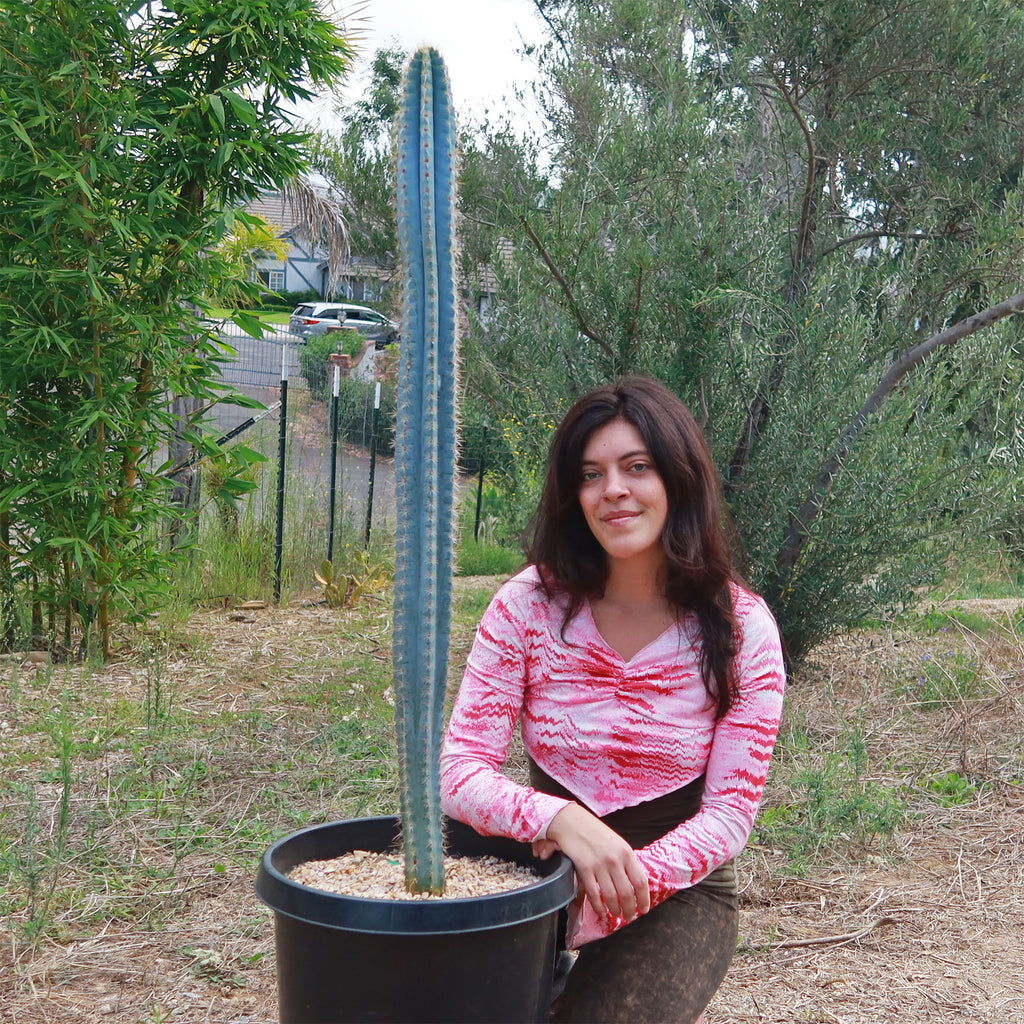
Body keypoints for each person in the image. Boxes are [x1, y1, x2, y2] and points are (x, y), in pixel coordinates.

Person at [440, 376, 786, 1023]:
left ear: (678, 479)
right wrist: (562, 822)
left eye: (637, 467)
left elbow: (732, 814)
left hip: (676, 890)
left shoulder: (743, 628)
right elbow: (458, 774)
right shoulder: (526, 607)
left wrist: (619, 886)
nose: (614, 491)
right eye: (591, 474)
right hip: (534, 876)